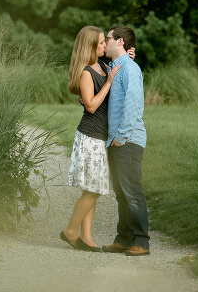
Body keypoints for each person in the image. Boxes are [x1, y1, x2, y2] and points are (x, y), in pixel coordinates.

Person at [60, 26, 121, 252]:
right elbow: (92, 106)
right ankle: (70, 230)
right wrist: (107, 83)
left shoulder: (103, 65)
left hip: (100, 137)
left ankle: (86, 236)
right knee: (94, 189)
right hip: (90, 137)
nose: (105, 45)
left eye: (106, 41)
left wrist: (126, 57)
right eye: (102, 42)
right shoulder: (87, 72)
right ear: (91, 46)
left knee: (91, 188)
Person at [102, 25, 150, 257]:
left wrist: (121, 137)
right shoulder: (114, 66)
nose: (105, 42)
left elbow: (133, 106)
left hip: (128, 140)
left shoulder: (130, 69)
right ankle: (123, 239)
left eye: (108, 38)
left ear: (119, 41)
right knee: (121, 192)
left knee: (132, 191)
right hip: (115, 140)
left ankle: (141, 240)